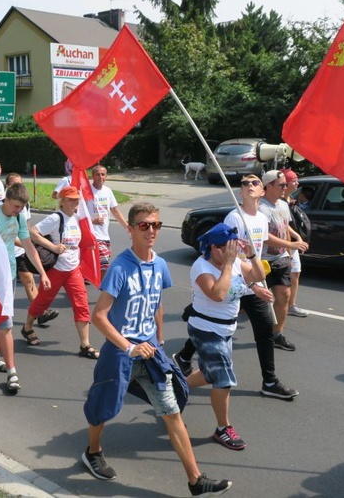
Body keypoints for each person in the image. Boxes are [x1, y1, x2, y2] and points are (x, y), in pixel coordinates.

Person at [81, 202, 232, 497]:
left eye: (156, 225)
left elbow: (156, 304)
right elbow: (99, 316)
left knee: (171, 410)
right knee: (103, 407)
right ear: (131, 229)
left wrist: (159, 341)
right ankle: (93, 451)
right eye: (144, 225)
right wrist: (128, 347)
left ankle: (195, 480)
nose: (151, 230)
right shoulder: (120, 267)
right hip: (119, 351)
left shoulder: (160, 265)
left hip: (151, 352)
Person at [173, 174, 299, 400]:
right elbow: (227, 256)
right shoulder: (234, 219)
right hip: (237, 283)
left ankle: (269, 381)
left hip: (252, 281)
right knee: (216, 320)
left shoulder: (261, 218)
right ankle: (186, 355)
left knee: (262, 331)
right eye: (244, 184)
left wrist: (285, 248)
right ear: (240, 192)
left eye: (254, 183)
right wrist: (251, 285)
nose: (249, 186)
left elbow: (256, 249)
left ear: (262, 191)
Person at [185, 223, 272, 451]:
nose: (233, 251)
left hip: (225, 330)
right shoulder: (202, 267)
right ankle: (223, 429)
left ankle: (177, 387)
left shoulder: (231, 262)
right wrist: (230, 264)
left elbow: (259, 275)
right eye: (228, 248)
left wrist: (252, 255)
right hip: (206, 329)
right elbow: (218, 294)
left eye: (234, 247)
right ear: (214, 248)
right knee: (224, 380)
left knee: (208, 373)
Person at [0, 183, 51, 393]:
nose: (17, 211)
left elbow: (29, 245)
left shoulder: (19, 218)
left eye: (20, 208)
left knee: (0, 318)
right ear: (6, 199)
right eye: (15, 206)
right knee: (6, 323)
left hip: (8, 275)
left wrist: (42, 272)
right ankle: (12, 373)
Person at [21, 186, 98, 359]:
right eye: (70, 199)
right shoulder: (55, 218)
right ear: (62, 201)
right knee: (42, 302)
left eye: (76, 199)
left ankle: (85, 345)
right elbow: (32, 232)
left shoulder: (78, 217)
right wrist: (53, 247)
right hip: (56, 270)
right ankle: (27, 328)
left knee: (82, 305)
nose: (74, 202)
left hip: (73, 270)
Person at [258, 170, 308, 351]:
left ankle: (276, 334)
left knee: (284, 296)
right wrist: (290, 244)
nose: (285, 188)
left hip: (280, 259)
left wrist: (289, 251)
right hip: (261, 263)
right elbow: (264, 236)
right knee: (246, 303)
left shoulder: (282, 205)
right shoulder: (261, 208)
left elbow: (284, 225)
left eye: (286, 185)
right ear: (269, 186)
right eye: (281, 185)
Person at [5, 172, 58, 326]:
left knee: (28, 280)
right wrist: (24, 243)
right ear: (7, 187)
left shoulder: (24, 206)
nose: (19, 187)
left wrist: (31, 243)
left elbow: (26, 227)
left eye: (21, 184)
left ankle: (40, 313)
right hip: (3, 255)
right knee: (3, 290)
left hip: (20, 251)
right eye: (15, 184)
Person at [88, 164, 128, 278]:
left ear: (106, 176)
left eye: (103, 174)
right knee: (104, 267)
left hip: (105, 235)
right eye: (97, 175)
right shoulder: (86, 191)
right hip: (93, 236)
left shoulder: (108, 191)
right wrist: (92, 221)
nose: (100, 177)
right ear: (92, 176)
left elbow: (115, 211)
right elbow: (78, 214)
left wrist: (127, 227)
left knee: (97, 266)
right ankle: (105, 293)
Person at [281, 169, 308, 318]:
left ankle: (291, 305)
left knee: (295, 273)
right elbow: (283, 225)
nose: (297, 182)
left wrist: (297, 237)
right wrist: (295, 239)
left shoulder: (290, 198)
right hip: (284, 244)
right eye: (294, 180)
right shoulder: (278, 202)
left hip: (292, 243)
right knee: (283, 275)